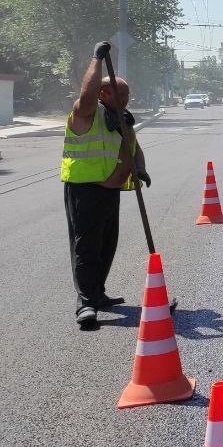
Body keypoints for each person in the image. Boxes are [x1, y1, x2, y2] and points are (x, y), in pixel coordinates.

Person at [62, 41, 150, 328]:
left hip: (111, 191)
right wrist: (97, 60)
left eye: (127, 93)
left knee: (106, 245)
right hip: (85, 189)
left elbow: (134, 147)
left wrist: (140, 168)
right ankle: (85, 304)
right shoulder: (86, 113)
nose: (125, 98)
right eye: (118, 92)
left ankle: (98, 294)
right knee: (86, 247)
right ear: (102, 92)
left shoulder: (121, 118)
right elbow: (86, 96)